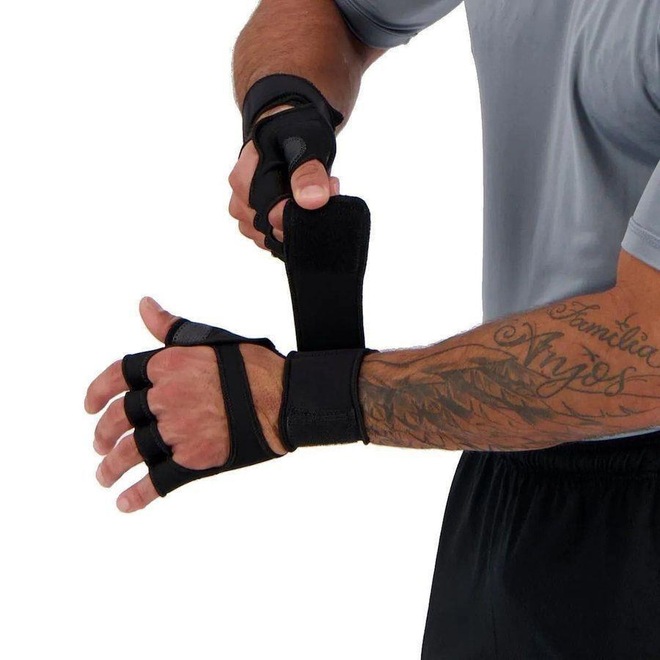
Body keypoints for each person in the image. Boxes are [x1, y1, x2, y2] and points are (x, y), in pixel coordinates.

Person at [85, 1, 660, 656]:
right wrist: (287, 119)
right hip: (512, 467)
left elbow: (650, 350)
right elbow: (323, 9)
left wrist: (305, 399)